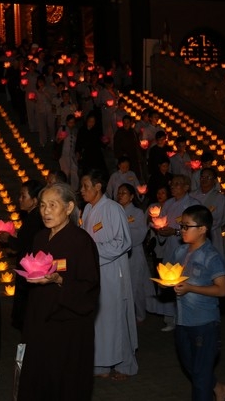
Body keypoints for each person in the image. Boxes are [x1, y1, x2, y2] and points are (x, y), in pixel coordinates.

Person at [17, 183, 100, 400]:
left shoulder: (81, 241)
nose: (46, 211)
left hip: (67, 326)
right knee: (38, 379)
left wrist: (60, 279)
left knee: (65, 382)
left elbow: (89, 286)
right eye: (43, 205)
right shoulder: (40, 239)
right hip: (39, 322)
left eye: (53, 205)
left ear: (69, 207)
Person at [170, 205, 225, 401]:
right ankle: (219, 389)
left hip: (204, 324)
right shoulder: (180, 252)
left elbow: (222, 289)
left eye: (186, 226)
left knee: (199, 379)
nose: (182, 230)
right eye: (181, 225)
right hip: (182, 320)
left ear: (202, 229)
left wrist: (191, 288)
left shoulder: (211, 256)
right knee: (193, 368)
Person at [80, 169, 138, 380]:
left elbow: (122, 242)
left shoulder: (113, 209)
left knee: (116, 318)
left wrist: (92, 252)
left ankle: (125, 365)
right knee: (99, 319)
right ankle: (101, 364)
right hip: (94, 272)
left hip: (112, 273)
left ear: (98, 187)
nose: (82, 190)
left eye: (86, 186)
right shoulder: (86, 209)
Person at [152, 174, 200, 332]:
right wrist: (161, 230)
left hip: (187, 249)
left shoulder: (193, 204)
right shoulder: (168, 204)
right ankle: (170, 318)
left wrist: (176, 232)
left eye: (178, 184)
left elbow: (196, 228)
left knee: (186, 282)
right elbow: (161, 222)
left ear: (187, 187)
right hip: (170, 248)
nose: (173, 187)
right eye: (172, 184)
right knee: (170, 282)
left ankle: (188, 318)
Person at [0, 180, 45, 331]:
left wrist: (8, 239)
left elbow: (26, 244)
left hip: (31, 271)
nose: (19, 199)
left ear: (35, 200)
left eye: (23, 196)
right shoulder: (31, 217)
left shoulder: (35, 218)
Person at [116, 183, 155, 323]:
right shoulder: (115, 211)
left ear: (132, 196)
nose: (120, 195)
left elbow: (141, 232)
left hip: (134, 251)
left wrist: (124, 237)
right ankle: (125, 313)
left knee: (136, 283)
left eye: (124, 193)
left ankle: (140, 313)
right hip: (118, 254)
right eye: (119, 193)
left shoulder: (137, 213)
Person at [191, 167, 225, 258]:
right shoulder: (192, 195)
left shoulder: (219, 197)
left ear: (214, 180)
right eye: (202, 177)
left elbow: (220, 219)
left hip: (212, 234)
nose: (204, 179)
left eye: (208, 177)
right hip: (193, 235)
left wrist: (202, 229)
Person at [76, 112, 109, 178]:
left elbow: (101, 142)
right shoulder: (82, 130)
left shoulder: (97, 130)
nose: (91, 123)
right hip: (86, 154)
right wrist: (78, 152)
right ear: (87, 121)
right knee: (87, 173)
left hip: (96, 154)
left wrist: (105, 142)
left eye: (93, 122)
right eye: (90, 121)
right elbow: (78, 142)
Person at [113, 115, 145, 181]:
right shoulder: (119, 133)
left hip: (133, 158)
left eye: (128, 122)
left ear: (131, 123)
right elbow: (116, 146)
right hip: (124, 158)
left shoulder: (133, 132)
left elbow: (137, 144)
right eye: (125, 122)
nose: (126, 124)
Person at [55, 114, 80, 191]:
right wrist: (61, 138)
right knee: (65, 171)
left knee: (74, 171)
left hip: (72, 155)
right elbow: (57, 141)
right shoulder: (62, 129)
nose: (71, 124)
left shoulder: (75, 130)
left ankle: (74, 189)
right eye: (70, 122)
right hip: (64, 154)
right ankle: (64, 189)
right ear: (66, 122)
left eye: (73, 122)